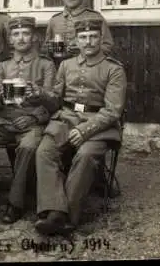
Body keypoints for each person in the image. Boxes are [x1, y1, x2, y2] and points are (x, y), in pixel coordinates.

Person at [34, 18, 127, 236]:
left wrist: (84, 131)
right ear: (77, 40)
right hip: (66, 119)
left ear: (100, 38)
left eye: (93, 37)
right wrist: (40, 94)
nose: (88, 42)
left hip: (100, 124)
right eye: (83, 37)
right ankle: (53, 210)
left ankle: (68, 216)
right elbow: (56, 99)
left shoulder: (114, 69)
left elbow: (113, 111)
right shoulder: (66, 65)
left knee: (85, 154)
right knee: (44, 151)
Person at [0, 16, 56, 232]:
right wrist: (3, 99)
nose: (21, 38)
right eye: (16, 34)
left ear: (34, 37)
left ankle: (15, 203)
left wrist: (37, 109)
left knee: (28, 147)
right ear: (10, 40)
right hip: (2, 121)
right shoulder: (3, 66)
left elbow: (55, 102)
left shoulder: (46, 65)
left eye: (25, 33)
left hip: (30, 122)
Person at [44, 0, 114, 58]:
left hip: (88, 67)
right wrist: (58, 48)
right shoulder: (54, 20)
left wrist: (85, 50)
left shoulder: (95, 17)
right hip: (60, 67)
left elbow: (108, 46)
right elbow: (45, 49)